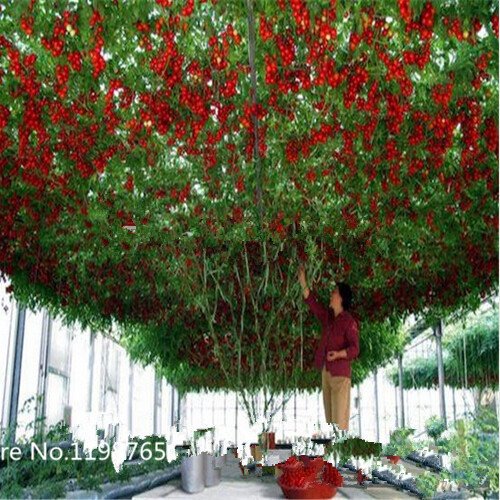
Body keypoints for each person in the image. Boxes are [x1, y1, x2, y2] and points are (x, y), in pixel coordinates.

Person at [298, 264, 360, 431]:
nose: (331, 295)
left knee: (339, 423)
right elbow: (313, 304)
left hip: (340, 375)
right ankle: (333, 447)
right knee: (330, 422)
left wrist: (339, 354)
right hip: (327, 372)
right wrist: (303, 282)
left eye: (334, 292)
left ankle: (341, 447)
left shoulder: (349, 321)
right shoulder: (329, 318)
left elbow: (355, 349)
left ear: (341, 298)